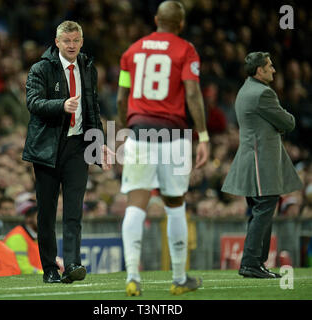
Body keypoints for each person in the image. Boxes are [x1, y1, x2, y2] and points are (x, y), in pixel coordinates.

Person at [116, 1, 209, 296]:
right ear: (180, 24)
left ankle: (132, 276)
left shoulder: (131, 52)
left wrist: (124, 127)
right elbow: (192, 92)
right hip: (174, 135)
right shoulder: (186, 50)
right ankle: (179, 279)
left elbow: (121, 96)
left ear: (156, 19)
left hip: (140, 131)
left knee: (136, 203)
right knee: (175, 203)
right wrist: (203, 135)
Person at [22, 20, 114, 284]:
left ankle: (72, 264)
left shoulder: (87, 67)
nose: (72, 45)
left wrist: (99, 141)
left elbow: (92, 108)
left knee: (74, 211)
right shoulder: (41, 69)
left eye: (76, 41)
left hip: (78, 148)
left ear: (81, 42)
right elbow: (33, 103)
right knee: (47, 213)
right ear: (57, 42)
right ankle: (50, 268)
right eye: (67, 41)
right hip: (48, 148)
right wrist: (61, 105)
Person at [221, 52, 303, 278]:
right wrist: (281, 124)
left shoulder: (245, 90)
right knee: (264, 209)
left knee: (261, 210)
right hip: (261, 163)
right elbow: (288, 122)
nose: (274, 70)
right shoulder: (263, 94)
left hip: (252, 160)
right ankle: (251, 263)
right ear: (259, 70)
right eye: (269, 66)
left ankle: (255, 262)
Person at [4, 205, 43, 274]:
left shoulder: (35, 236)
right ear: (28, 219)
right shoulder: (17, 237)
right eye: (39, 217)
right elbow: (22, 268)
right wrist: (45, 273)